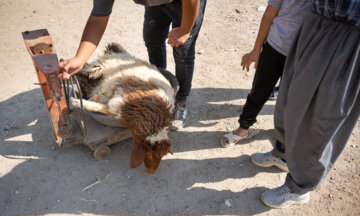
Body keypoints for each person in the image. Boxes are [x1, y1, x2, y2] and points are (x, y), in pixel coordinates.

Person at [252, 0, 360, 208]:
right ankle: (283, 154)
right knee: (289, 101)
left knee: (320, 118)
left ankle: (299, 187)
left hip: (351, 35)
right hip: (316, 22)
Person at [59, 0, 207, 131]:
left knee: (183, 51)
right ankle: (158, 86)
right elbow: (98, 17)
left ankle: (180, 100)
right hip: (156, 3)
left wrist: (185, 29)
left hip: (186, 4)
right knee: (152, 38)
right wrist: (79, 58)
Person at [220, 0, 310, 148]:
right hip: (275, 46)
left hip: (303, 56)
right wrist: (256, 50)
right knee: (258, 92)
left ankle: (285, 141)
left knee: (292, 101)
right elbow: (270, 13)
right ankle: (243, 129)